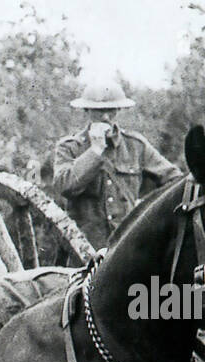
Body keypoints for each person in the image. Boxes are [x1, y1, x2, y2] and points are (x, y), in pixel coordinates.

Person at [53, 80, 181, 249]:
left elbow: (175, 181)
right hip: (84, 251)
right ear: (87, 111)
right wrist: (95, 150)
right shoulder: (69, 147)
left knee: (155, 277)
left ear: (119, 110)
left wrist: (147, 207)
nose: (105, 117)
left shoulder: (136, 145)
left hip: (127, 248)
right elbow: (63, 187)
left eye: (111, 110)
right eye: (99, 111)